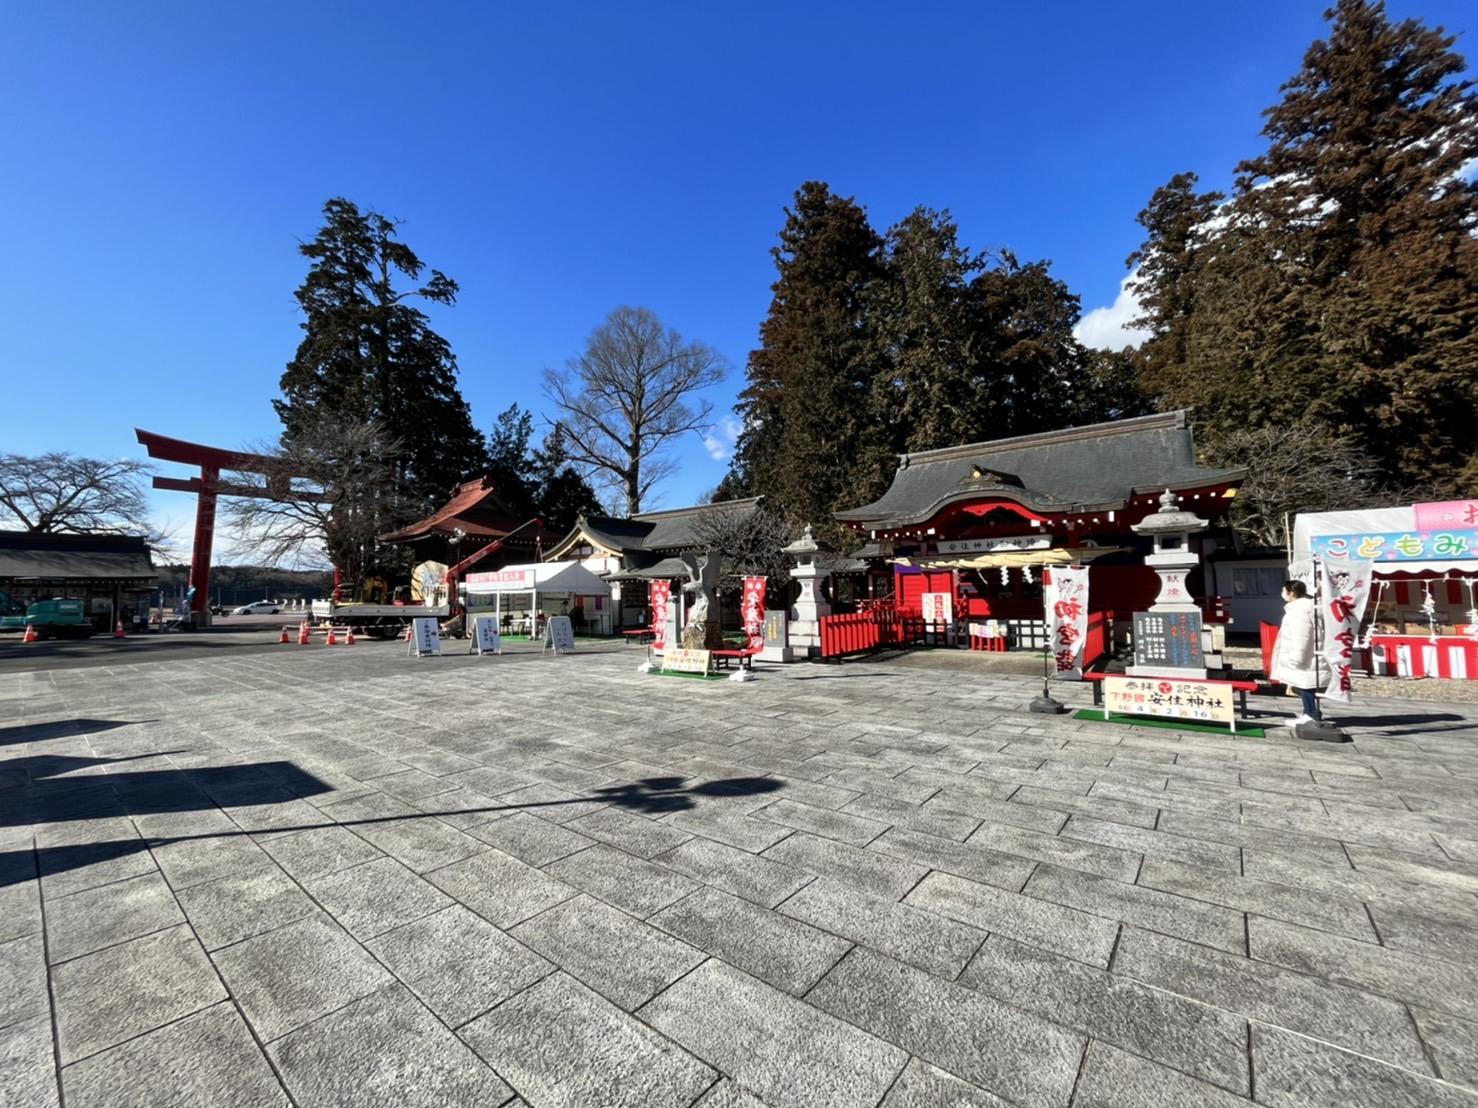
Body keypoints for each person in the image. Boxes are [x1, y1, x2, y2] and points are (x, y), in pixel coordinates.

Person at [1271, 579, 1323, 725]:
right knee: (1303, 685)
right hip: (1305, 654)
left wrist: (1296, 657)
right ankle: (1309, 713)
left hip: (1302, 655)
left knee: (1304, 685)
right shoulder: (1303, 608)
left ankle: (1311, 715)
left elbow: (1301, 635)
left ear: (1291, 593)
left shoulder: (1299, 611)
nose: (1283, 594)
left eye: (1284, 591)